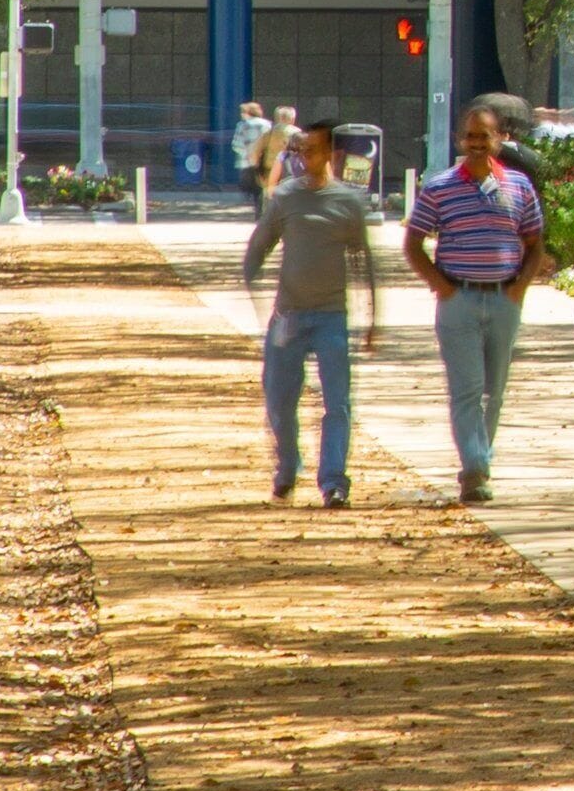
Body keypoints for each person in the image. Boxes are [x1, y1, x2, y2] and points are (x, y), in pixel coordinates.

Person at [403, 100, 550, 504]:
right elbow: (413, 244)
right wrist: (442, 287)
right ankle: (475, 468)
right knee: (467, 389)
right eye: (469, 136)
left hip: (504, 300)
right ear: (459, 141)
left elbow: (535, 243)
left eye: (484, 136)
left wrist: (520, 288)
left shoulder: (519, 187)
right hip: (459, 301)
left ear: (499, 140)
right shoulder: (439, 187)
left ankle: (480, 458)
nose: (476, 143)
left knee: (494, 390)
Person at [240, 113, 380, 506]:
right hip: (288, 317)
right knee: (279, 400)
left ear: (333, 153)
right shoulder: (286, 197)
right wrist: (251, 279)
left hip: (331, 318)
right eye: (302, 150)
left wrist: (372, 319)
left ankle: (333, 481)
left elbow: (363, 263)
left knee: (338, 402)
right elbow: (260, 245)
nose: (305, 157)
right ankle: (288, 464)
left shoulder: (348, 203)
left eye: (313, 150)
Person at [232, 100, 274, 209]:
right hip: (263, 160)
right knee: (261, 186)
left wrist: (246, 154)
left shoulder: (242, 125)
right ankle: (260, 208)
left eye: (243, 112)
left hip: (247, 161)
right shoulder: (267, 124)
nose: (241, 114)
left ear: (248, 112)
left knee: (248, 185)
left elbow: (237, 144)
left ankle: (253, 201)